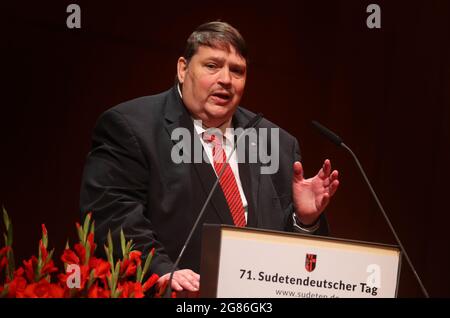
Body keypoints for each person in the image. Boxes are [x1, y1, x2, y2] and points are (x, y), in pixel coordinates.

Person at [80, 21, 339, 296]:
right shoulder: (132, 127)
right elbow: (112, 216)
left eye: (237, 70)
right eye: (212, 66)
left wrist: (304, 220)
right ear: (183, 69)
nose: (226, 79)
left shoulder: (276, 142)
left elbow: (294, 263)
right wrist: (161, 270)